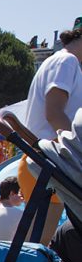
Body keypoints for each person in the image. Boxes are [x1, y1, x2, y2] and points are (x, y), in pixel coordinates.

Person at [20, 19, 82, 244]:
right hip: (48, 162)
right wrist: (77, 153)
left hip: (46, 161)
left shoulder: (63, 61)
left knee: (35, 243)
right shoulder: (67, 61)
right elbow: (54, 113)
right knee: (35, 244)